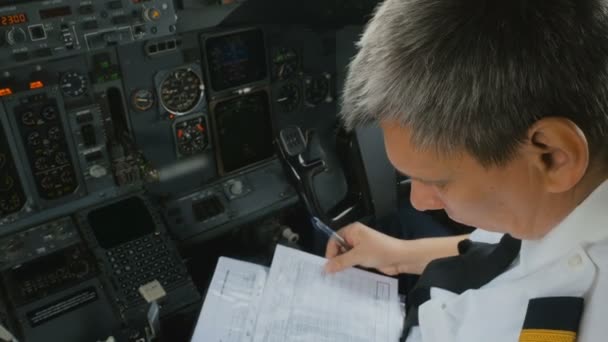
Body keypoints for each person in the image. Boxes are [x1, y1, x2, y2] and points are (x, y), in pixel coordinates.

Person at [324, 0, 608, 341]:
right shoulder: (547, 205)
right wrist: (398, 257)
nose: (419, 200)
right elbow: (504, 250)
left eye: (437, 181)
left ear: (553, 157)